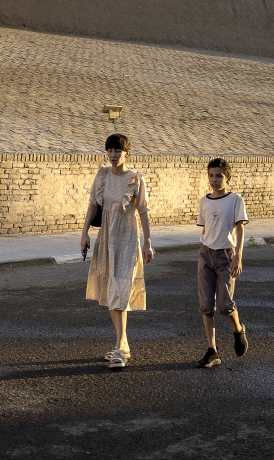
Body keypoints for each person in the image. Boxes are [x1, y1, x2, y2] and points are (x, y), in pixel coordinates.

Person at [80, 133, 154, 369]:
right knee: (112, 289)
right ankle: (122, 344)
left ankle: (121, 347)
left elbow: (143, 211)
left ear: (127, 153)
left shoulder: (135, 180)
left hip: (128, 239)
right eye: (110, 150)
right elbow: (93, 204)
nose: (113, 155)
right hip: (106, 239)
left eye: (118, 151)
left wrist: (148, 242)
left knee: (122, 288)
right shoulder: (102, 176)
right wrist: (84, 234)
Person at [196, 157, 249, 368]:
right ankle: (212, 351)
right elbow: (204, 227)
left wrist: (238, 255)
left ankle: (238, 329)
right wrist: (204, 247)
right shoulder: (204, 201)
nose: (214, 180)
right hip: (205, 255)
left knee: (225, 306)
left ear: (228, 178)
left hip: (226, 255)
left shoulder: (235, 199)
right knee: (206, 306)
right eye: (211, 175)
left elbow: (240, 228)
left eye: (218, 176)